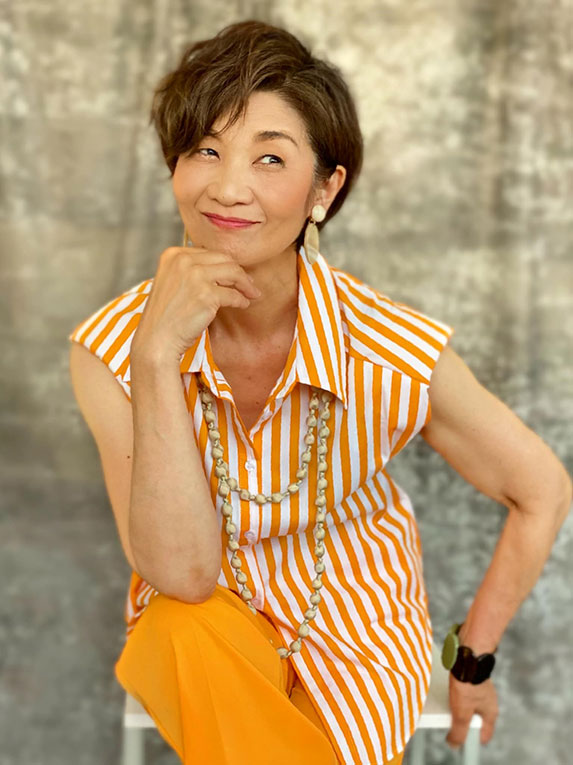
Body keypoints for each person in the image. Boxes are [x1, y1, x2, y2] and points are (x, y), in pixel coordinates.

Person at [67, 20, 572, 765]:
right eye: (204, 149)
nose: (227, 187)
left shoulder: (386, 350)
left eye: (270, 157)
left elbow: (540, 489)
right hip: (206, 628)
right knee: (178, 622)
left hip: (355, 640)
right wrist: (155, 355)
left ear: (324, 189)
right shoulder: (115, 349)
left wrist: (473, 659)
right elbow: (182, 574)